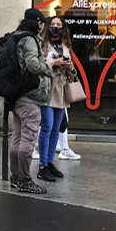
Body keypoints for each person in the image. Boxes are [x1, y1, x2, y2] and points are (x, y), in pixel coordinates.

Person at [8, 9, 57, 195]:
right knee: (27, 140)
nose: (43, 26)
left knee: (17, 137)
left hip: (18, 95)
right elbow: (32, 65)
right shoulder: (29, 39)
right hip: (30, 97)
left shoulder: (16, 37)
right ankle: (24, 179)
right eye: (42, 23)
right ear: (38, 23)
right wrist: (50, 65)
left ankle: (15, 176)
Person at [36, 16, 75, 182]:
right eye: (52, 24)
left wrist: (70, 66)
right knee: (47, 126)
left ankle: (49, 162)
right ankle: (42, 165)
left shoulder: (66, 45)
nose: (55, 27)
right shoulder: (42, 44)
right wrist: (54, 62)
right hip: (47, 88)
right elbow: (38, 65)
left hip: (61, 89)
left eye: (58, 24)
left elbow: (71, 70)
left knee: (56, 128)